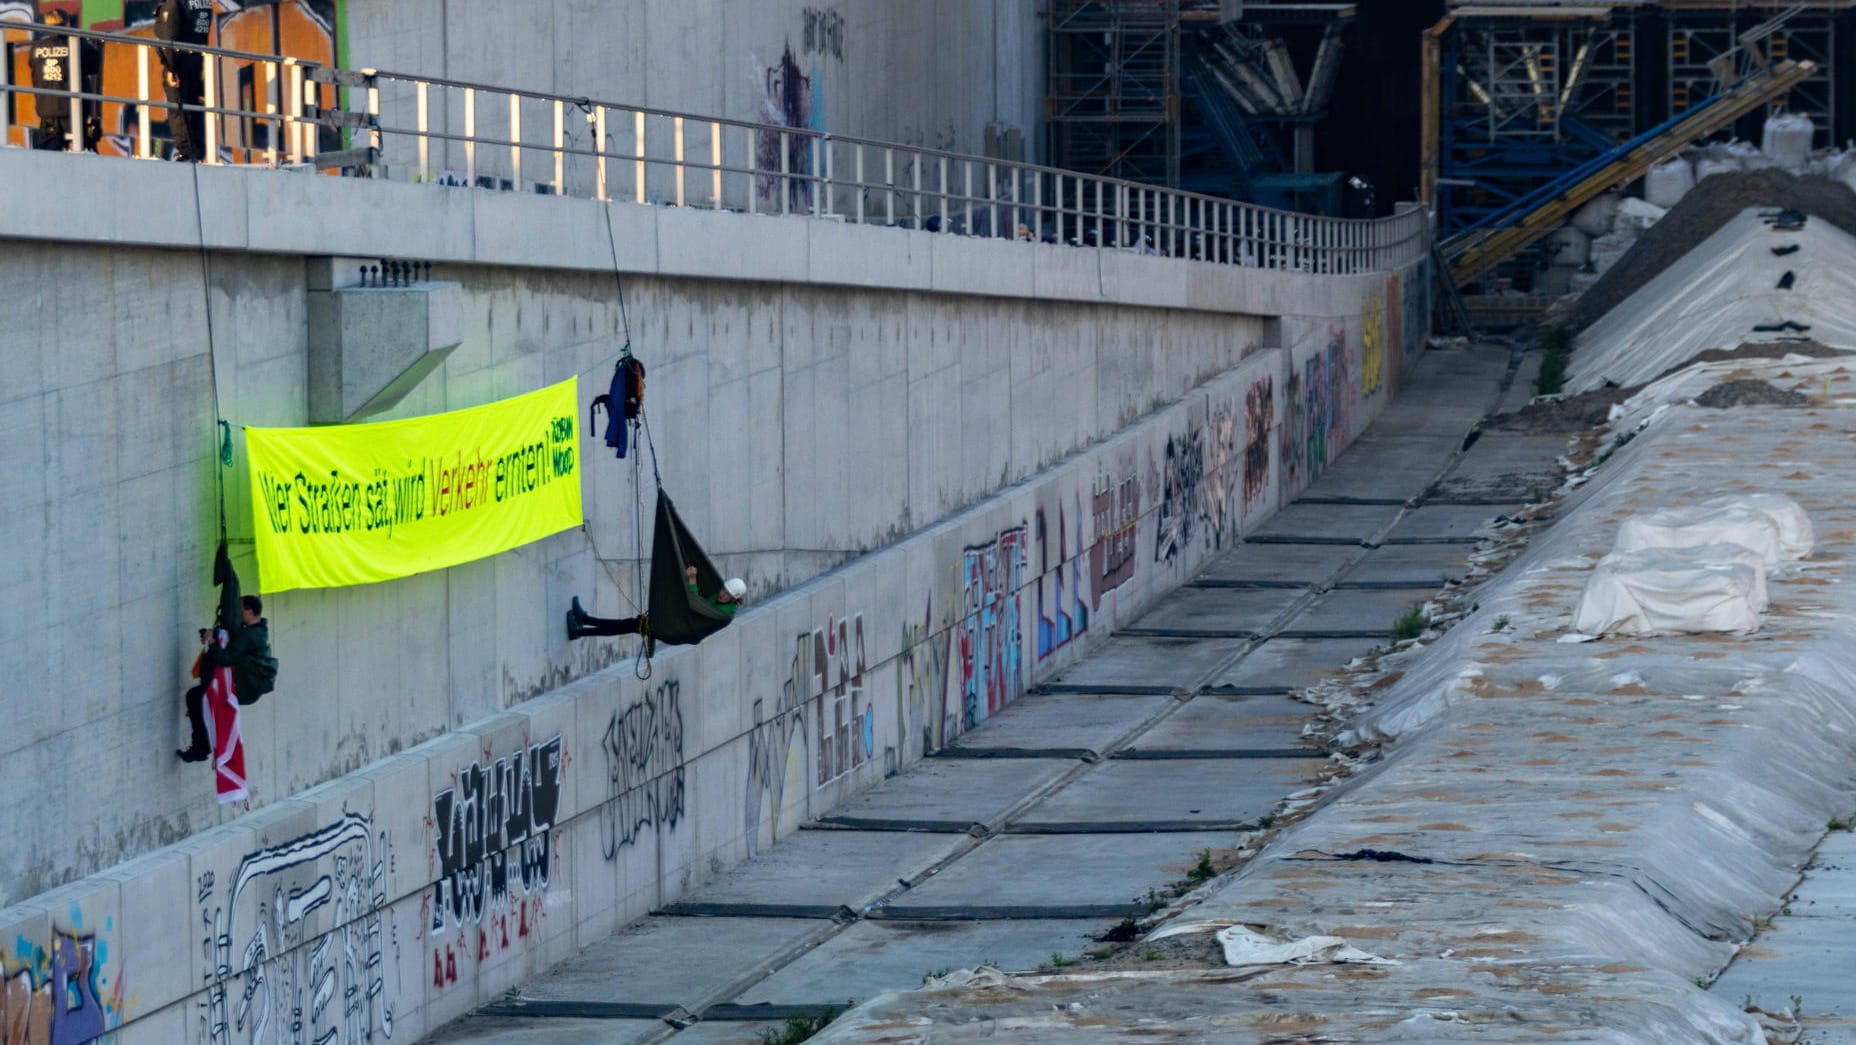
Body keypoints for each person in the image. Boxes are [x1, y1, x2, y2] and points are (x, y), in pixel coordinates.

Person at [178, 595, 275, 762]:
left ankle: (201, 746)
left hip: (242, 688)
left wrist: (212, 642)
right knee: (198, 698)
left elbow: (227, 658)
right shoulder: (259, 630)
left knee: (195, 697)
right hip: (246, 687)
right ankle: (202, 744)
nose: (237, 613)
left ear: (249, 611)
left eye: (240, 609)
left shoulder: (249, 635)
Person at [566, 567, 746, 640]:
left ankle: (580, 630)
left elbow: (697, 605)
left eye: (726, 594)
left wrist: (692, 579)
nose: (722, 594)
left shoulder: (723, 614)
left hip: (672, 629)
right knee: (626, 625)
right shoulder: (721, 600)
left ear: (734, 598)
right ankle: (584, 620)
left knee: (624, 626)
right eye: (723, 590)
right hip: (672, 621)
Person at [29, 9, 102, 152]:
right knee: (86, 156)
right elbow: (94, 65)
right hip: (73, 112)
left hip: (47, 114)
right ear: (67, 24)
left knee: (47, 158)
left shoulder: (36, 48)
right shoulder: (77, 44)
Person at [155, 0, 213, 162]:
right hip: (196, 61)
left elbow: (169, 38)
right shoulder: (204, 3)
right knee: (193, 105)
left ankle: (188, 152)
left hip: (179, 63)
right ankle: (199, 150)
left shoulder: (174, 4)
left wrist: (171, 67)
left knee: (177, 108)